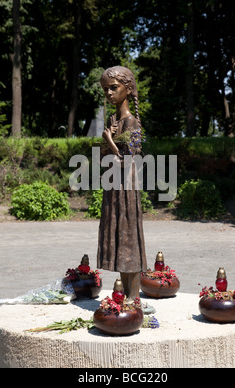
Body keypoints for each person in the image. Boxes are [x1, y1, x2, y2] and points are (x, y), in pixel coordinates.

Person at [97, 66, 147, 303]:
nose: (108, 93)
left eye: (113, 88)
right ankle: (124, 293)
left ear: (128, 89)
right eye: (105, 89)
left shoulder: (133, 123)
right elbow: (103, 158)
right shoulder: (113, 120)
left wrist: (109, 140)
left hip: (126, 190)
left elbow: (130, 161)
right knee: (119, 239)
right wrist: (107, 143)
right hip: (113, 189)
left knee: (129, 240)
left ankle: (133, 297)